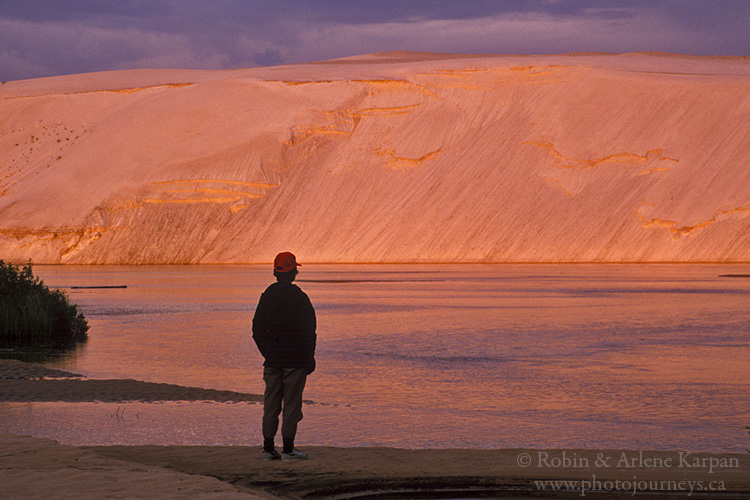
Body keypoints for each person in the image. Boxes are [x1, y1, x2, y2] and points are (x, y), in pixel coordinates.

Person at [252, 252, 316, 461]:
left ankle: (268, 449)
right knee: (291, 405)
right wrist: (309, 358)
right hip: (295, 362)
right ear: (294, 272)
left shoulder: (267, 295)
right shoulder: (300, 297)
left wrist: (268, 351)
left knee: (271, 403)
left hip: (274, 360)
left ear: (275, 271)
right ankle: (288, 449)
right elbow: (310, 331)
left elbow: (257, 329)